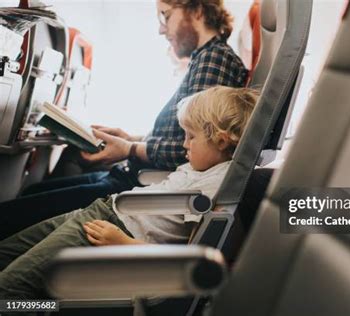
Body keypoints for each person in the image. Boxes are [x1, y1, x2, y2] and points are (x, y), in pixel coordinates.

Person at [0, 0, 249, 240]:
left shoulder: (214, 59)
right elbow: (182, 136)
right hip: (131, 175)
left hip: (137, 185)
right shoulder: (203, 59)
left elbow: (190, 151)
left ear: (196, 9)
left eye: (166, 15)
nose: (161, 29)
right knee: (33, 193)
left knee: (12, 215)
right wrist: (129, 138)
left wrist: (129, 148)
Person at [0, 86, 259, 299]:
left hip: (113, 230)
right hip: (102, 212)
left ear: (222, 141)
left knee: (10, 289)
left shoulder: (216, 182)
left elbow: (187, 258)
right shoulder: (205, 165)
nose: (184, 144)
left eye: (190, 137)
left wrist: (124, 244)